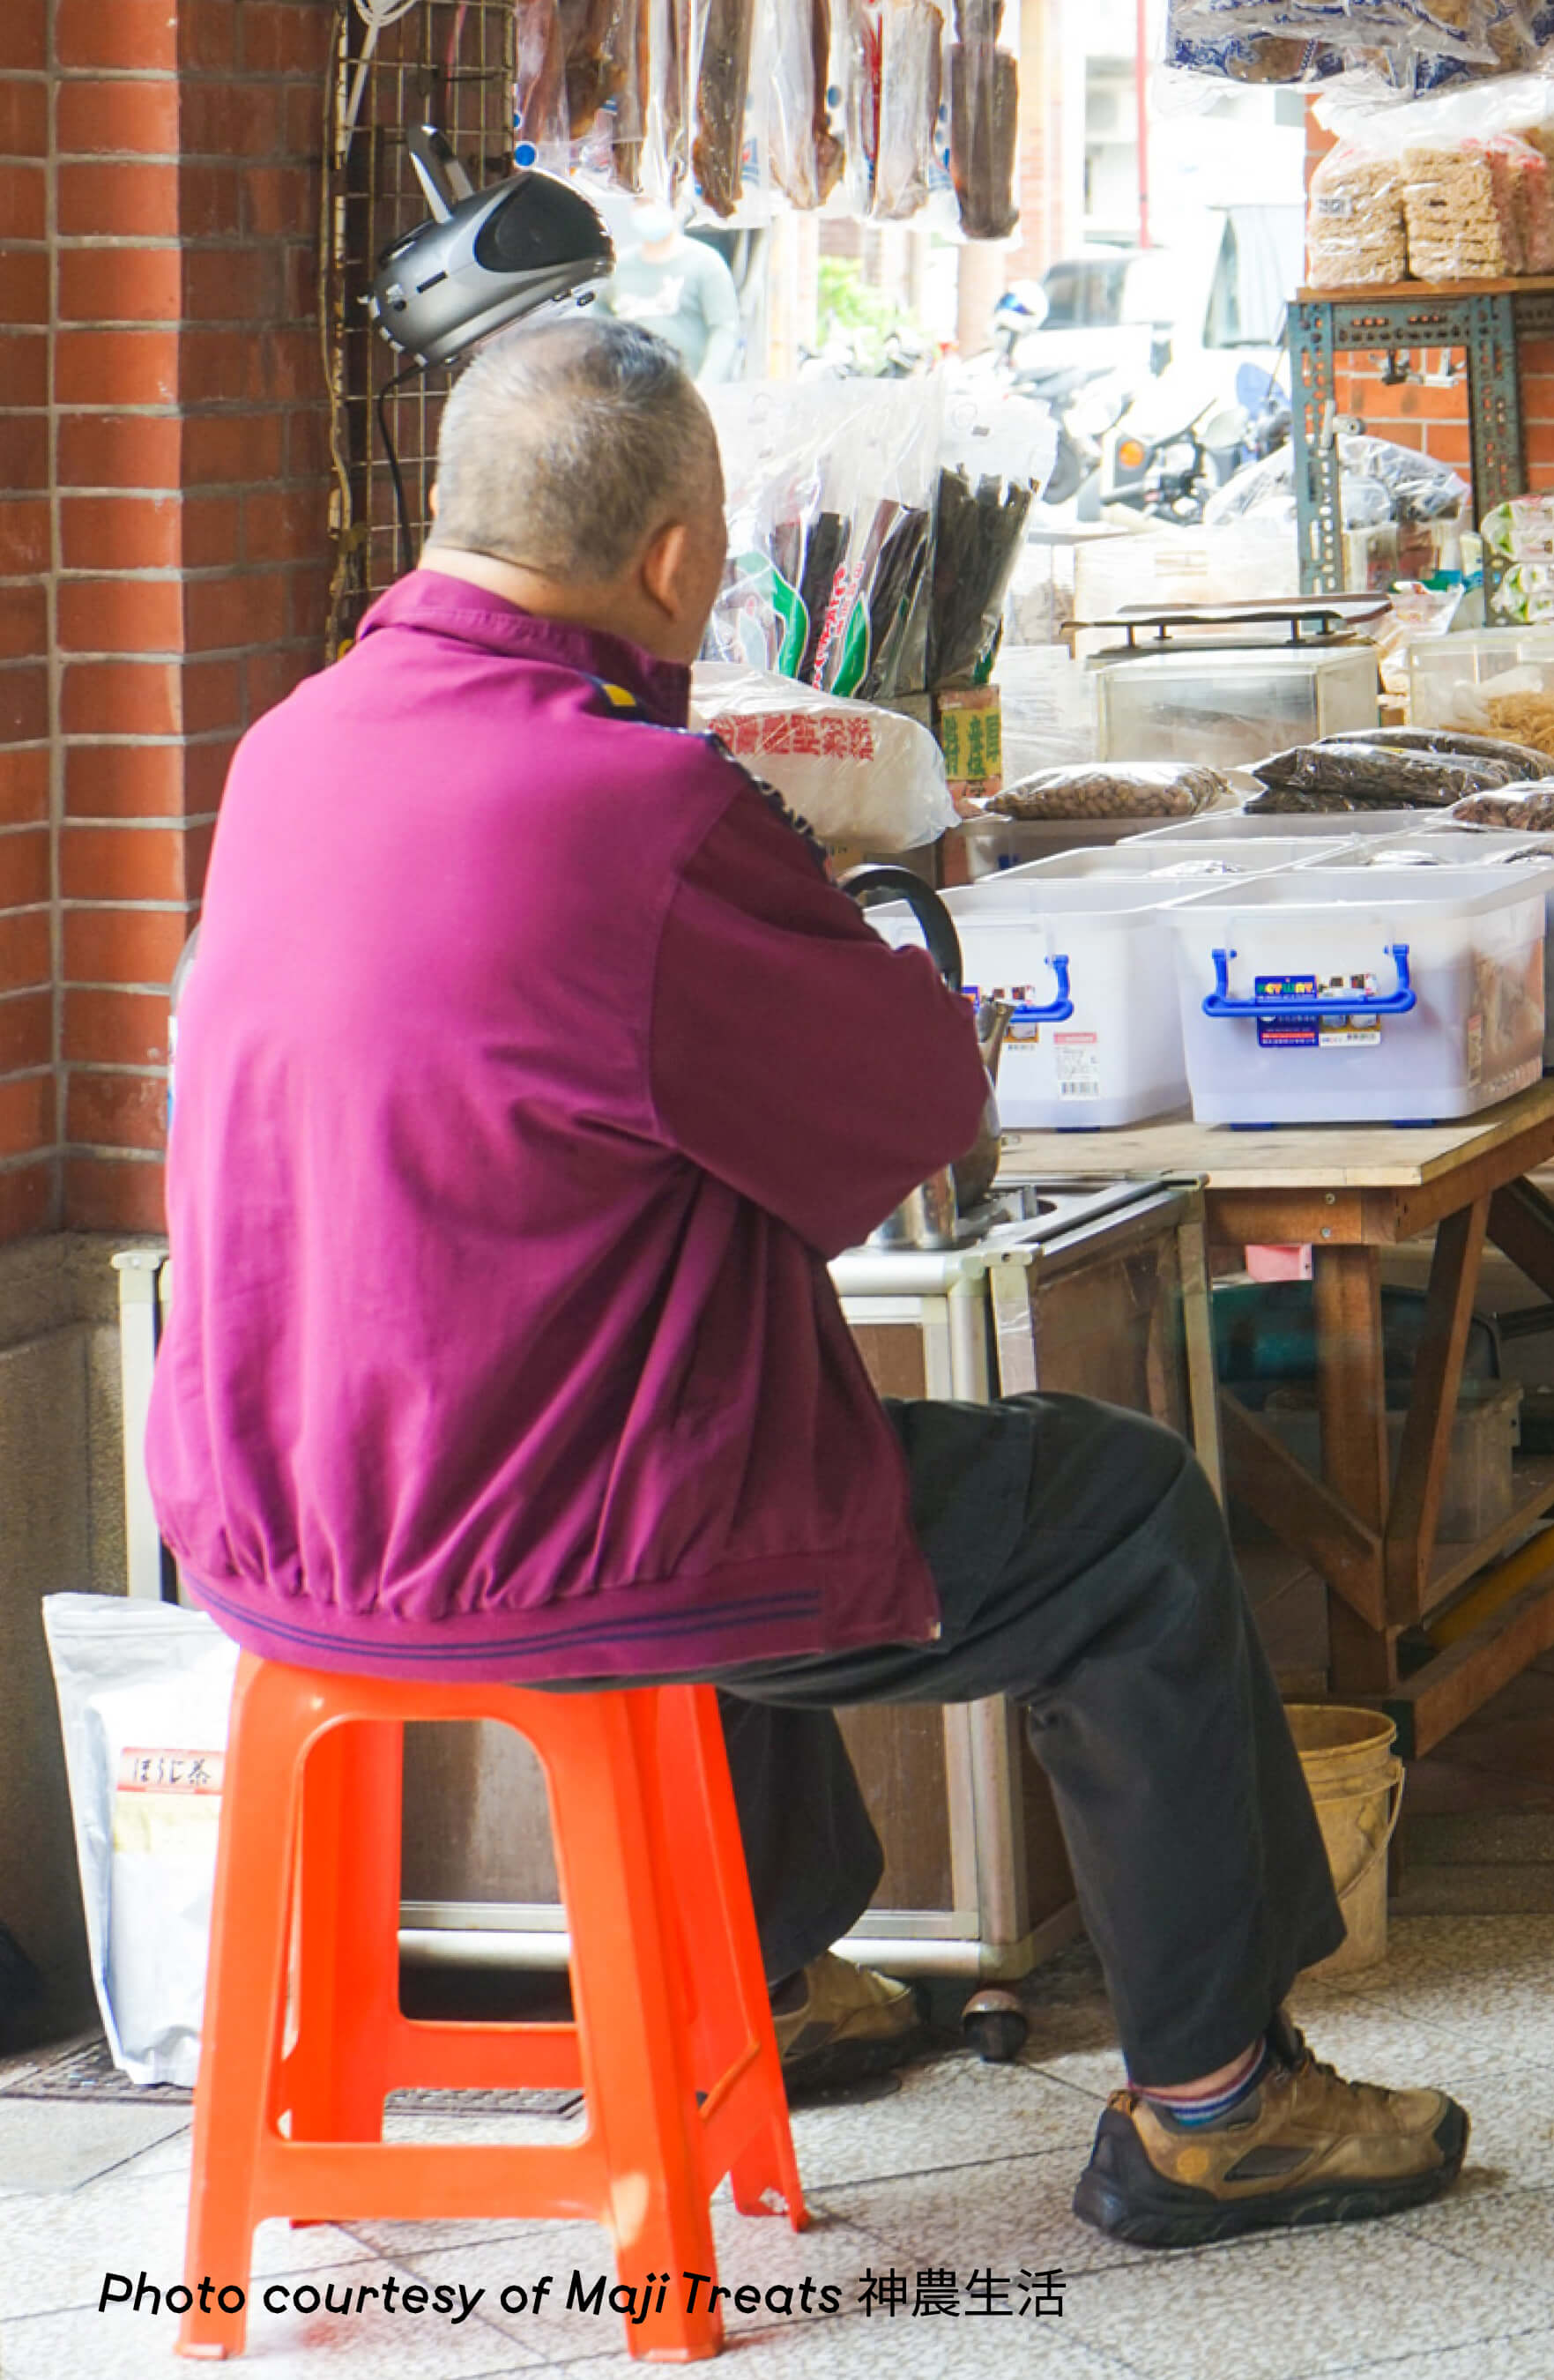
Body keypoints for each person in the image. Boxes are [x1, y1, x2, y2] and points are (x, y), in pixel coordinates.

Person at [145, 316, 1468, 2250]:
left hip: (274, 1518)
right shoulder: (636, 808)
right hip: (555, 1534)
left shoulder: (284, 755)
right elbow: (907, 1102)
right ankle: (1215, 2102)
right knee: (1124, 1512)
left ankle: (756, 1972)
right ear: (681, 562)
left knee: (728, 1386)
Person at [599, 201, 740, 383]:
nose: (648, 209)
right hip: (631, 392)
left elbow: (724, 331)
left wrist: (707, 385)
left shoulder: (706, 263)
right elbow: (600, 328)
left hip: (688, 388)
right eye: (642, 202)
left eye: (655, 200)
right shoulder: (617, 267)